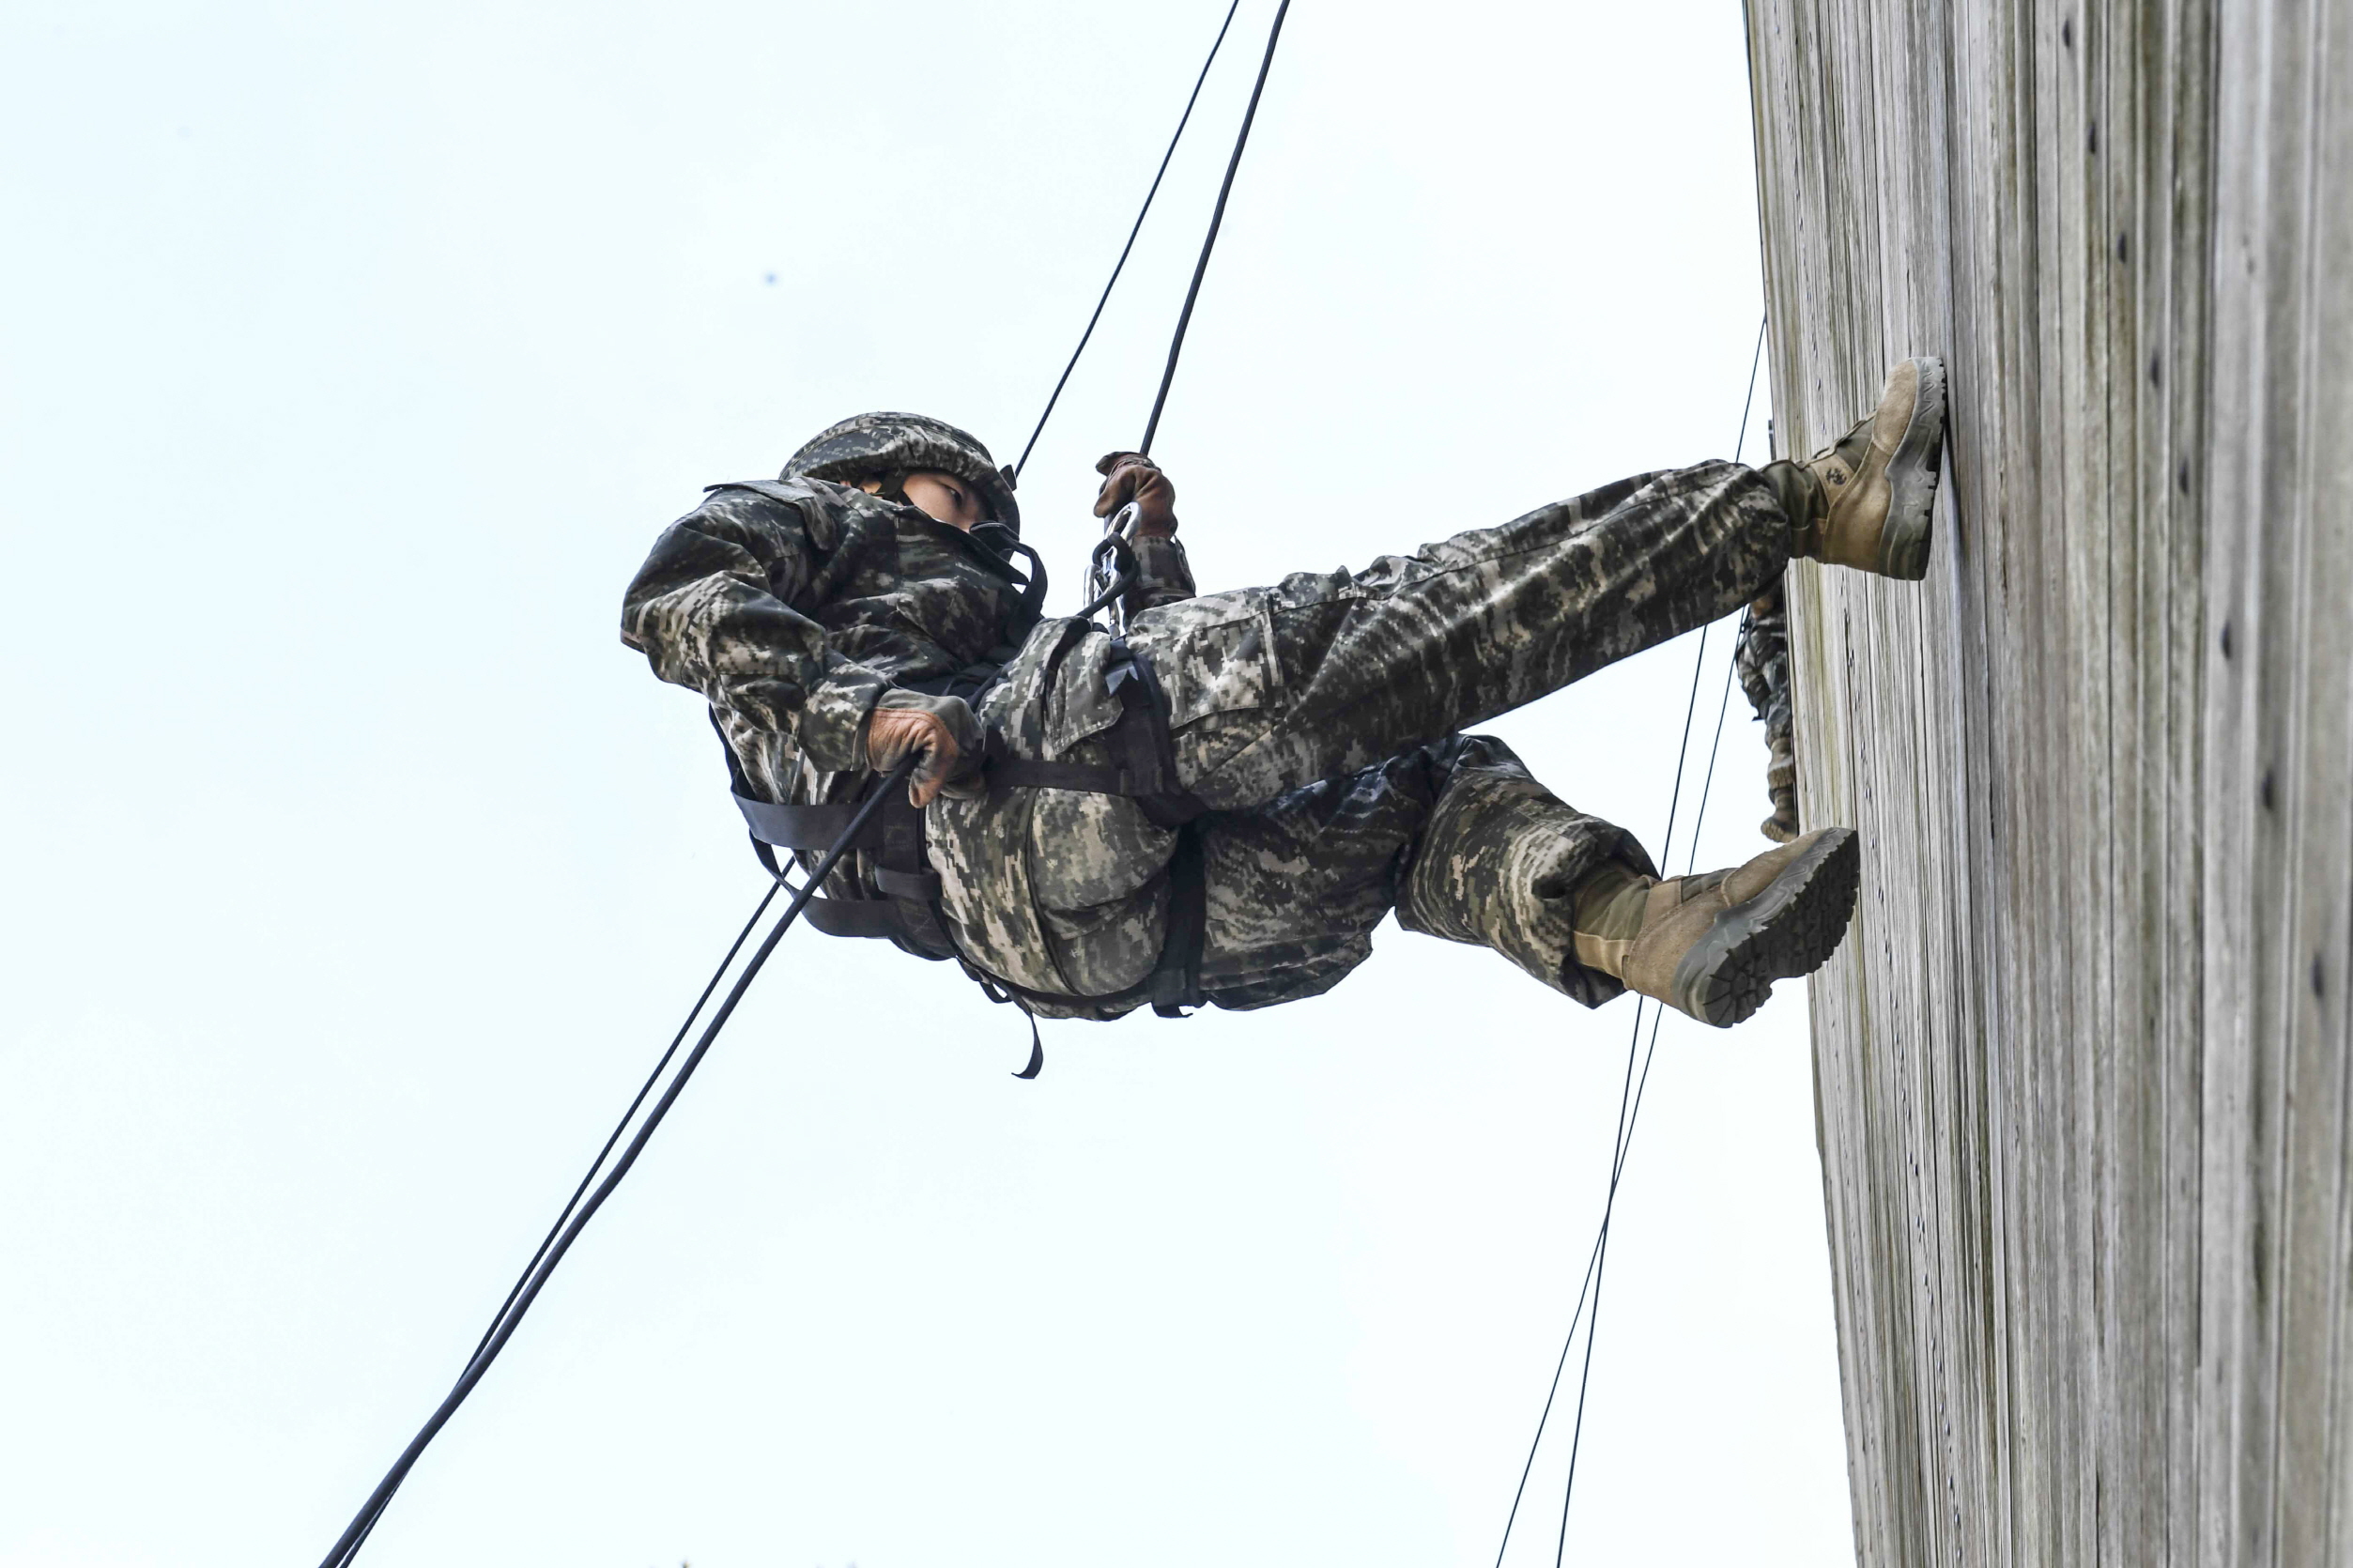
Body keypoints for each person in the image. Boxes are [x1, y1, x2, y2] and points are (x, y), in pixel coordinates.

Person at [621, 360, 1945, 1027]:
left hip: (1090, 945)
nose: (977, 518)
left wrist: (1147, 554)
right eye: (955, 491)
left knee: (1409, 789)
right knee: (1406, 630)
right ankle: (1821, 503)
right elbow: (671, 601)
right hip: (1021, 803)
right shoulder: (804, 525)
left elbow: (1121, 749)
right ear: (864, 475)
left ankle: (1632, 925)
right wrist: (865, 715)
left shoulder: (954, 641)